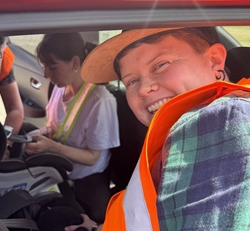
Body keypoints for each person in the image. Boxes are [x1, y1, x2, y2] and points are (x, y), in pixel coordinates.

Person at [65, 27, 250, 231]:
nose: (144, 89)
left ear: (214, 60)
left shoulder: (223, 121)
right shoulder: (185, 131)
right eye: (132, 81)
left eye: (161, 65)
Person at [25, 32, 120, 223]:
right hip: (59, 164)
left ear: (75, 63)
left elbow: (93, 158)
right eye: (45, 67)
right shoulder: (60, 89)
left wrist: (51, 147)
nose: (45, 75)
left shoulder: (100, 102)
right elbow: (54, 127)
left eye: (51, 67)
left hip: (86, 175)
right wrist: (42, 136)